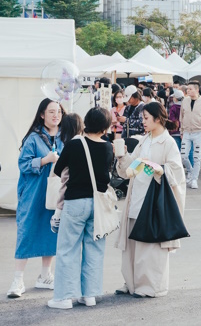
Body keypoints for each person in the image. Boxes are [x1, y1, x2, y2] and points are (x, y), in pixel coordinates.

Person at [115, 101, 186, 298]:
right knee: (133, 244)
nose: (143, 122)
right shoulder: (144, 140)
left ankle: (151, 286)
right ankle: (131, 282)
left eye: (146, 118)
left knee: (151, 246)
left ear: (158, 119)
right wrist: (122, 157)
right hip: (137, 195)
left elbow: (177, 172)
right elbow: (130, 167)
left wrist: (159, 169)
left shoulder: (168, 142)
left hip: (154, 199)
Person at [48, 108, 114, 309]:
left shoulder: (75, 144)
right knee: (95, 249)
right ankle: (89, 295)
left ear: (86, 123)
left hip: (76, 202)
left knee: (68, 249)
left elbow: (58, 170)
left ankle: (64, 298)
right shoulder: (108, 147)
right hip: (99, 205)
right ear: (105, 127)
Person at [8, 99, 65, 299]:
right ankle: (18, 279)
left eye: (58, 111)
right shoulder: (33, 138)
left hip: (55, 193)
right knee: (26, 231)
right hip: (33, 193)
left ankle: (45, 275)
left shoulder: (64, 137)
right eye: (51, 112)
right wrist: (45, 160)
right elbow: (23, 164)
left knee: (50, 231)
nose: (56, 115)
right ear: (42, 115)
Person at [179, 81, 201, 190]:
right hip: (187, 132)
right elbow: (181, 117)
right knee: (183, 156)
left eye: (190, 89)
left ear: (197, 90)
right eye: (187, 89)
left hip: (199, 132)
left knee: (197, 157)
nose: (188, 91)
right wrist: (181, 131)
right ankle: (191, 171)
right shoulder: (185, 101)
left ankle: (194, 179)